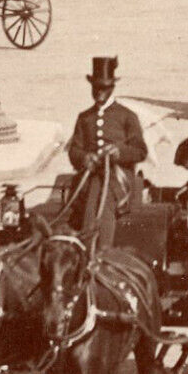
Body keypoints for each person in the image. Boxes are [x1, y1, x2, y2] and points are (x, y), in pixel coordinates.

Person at [65, 56, 148, 248]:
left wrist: (119, 152)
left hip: (119, 177)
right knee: (92, 187)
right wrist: (85, 158)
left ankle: (101, 251)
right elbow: (74, 150)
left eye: (104, 88)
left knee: (104, 191)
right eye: (96, 88)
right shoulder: (84, 117)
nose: (99, 92)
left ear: (112, 88)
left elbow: (140, 150)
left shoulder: (127, 116)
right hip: (89, 175)